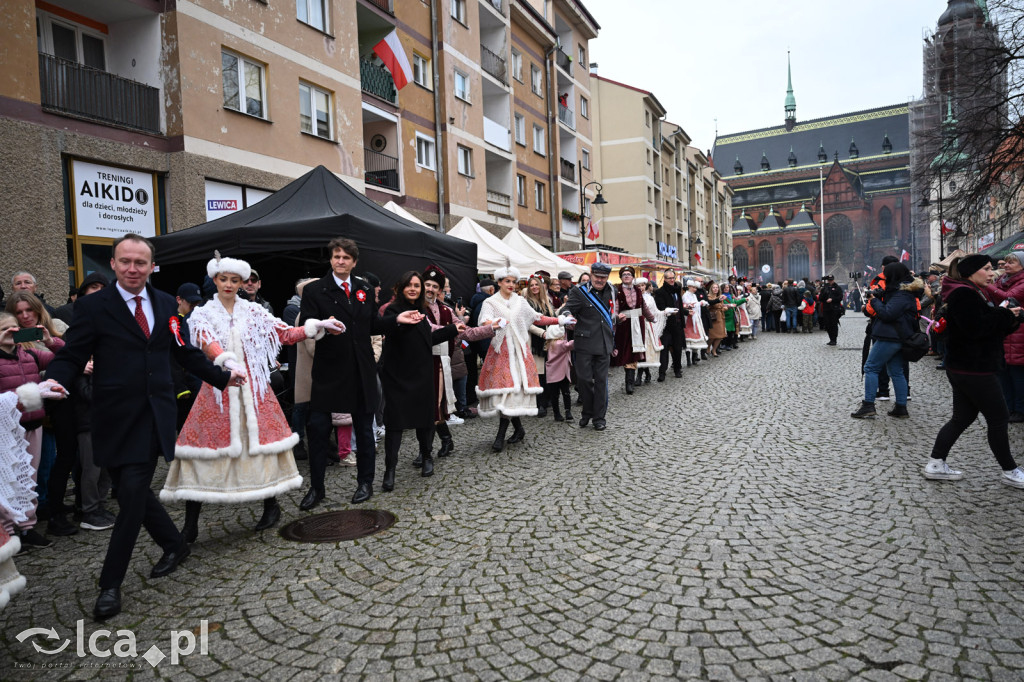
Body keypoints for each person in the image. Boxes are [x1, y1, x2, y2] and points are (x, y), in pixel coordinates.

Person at [45, 234, 243, 620]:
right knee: (127, 489)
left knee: (131, 494)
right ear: (113, 264)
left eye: (141, 262)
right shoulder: (91, 307)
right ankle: (174, 543)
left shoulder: (167, 303)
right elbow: (71, 354)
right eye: (125, 262)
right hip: (113, 416)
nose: (133, 269)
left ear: (152, 266)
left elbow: (183, 351)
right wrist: (54, 381)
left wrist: (221, 375)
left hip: (154, 416)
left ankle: (110, 584)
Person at [161, 253, 336, 541]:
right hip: (218, 392)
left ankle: (271, 505)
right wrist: (225, 360)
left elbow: (283, 334)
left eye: (234, 280)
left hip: (254, 390)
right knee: (203, 452)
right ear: (215, 280)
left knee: (262, 448)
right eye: (223, 279)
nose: (228, 284)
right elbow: (206, 342)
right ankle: (190, 523)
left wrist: (312, 328)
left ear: (242, 283)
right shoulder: (203, 313)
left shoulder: (254, 312)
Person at [297, 238, 422, 508]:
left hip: (360, 369)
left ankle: (365, 482)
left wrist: (396, 320)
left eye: (345, 257)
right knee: (318, 430)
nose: (340, 261)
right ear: (330, 260)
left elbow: (372, 324)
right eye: (336, 256)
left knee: (365, 430)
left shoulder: (364, 288)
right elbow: (307, 325)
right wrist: (321, 326)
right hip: (329, 371)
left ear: (354, 262)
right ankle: (317, 488)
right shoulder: (316, 290)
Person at [923, 254, 1024, 487]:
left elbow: (987, 328)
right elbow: (977, 329)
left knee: (963, 417)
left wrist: (1009, 318)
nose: (992, 273)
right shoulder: (964, 293)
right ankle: (1010, 470)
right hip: (975, 368)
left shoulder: (969, 291)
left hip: (965, 366)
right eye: (987, 269)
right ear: (971, 272)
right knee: (998, 417)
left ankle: (936, 463)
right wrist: (1004, 314)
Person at [379, 271, 463, 487]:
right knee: (395, 424)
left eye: (417, 286)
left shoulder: (421, 311)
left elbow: (428, 339)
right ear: (401, 287)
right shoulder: (393, 310)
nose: (414, 289)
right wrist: (399, 322)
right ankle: (390, 471)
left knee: (424, 421)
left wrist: (453, 329)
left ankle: (427, 457)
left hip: (422, 374)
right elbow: (386, 326)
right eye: (410, 285)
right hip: (398, 376)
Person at [477, 262, 571, 448]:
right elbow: (483, 321)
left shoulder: (520, 301)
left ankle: (501, 435)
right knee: (506, 394)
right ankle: (517, 428)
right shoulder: (490, 302)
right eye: (507, 281)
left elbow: (536, 317)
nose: (511, 285)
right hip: (500, 353)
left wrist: (559, 319)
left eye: (514, 281)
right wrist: (495, 322)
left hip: (520, 352)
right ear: (499, 282)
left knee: (513, 393)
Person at [0, 311, 62, 549]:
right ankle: (7, 534)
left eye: (15, 327)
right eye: (5, 329)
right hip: (6, 431)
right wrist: (32, 394)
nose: (12, 332)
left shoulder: (30, 355)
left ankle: (27, 529)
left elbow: (65, 357)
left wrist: (48, 340)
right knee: (7, 482)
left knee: (29, 480)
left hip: (34, 426)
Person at [421, 266, 492, 461]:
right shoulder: (415, 307)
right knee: (426, 406)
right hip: (417, 362)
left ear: (440, 290)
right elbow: (431, 328)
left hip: (440, 362)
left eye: (434, 286)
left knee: (435, 405)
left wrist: (491, 329)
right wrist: (451, 328)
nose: (430, 289)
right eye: (427, 284)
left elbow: (466, 332)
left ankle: (429, 448)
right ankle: (443, 441)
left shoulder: (446, 309)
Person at [850, 262, 921, 420]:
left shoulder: (903, 295)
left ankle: (868, 405)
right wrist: (880, 294)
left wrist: (874, 300)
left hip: (891, 336)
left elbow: (888, 313)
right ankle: (901, 407)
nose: (886, 278)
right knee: (896, 371)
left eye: (887, 276)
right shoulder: (903, 291)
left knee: (871, 367)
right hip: (896, 336)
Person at [562, 262, 613, 430]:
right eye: (597, 276)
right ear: (591, 275)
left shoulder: (612, 290)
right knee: (583, 381)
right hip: (584, 343)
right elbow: (567, 309)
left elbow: (610, 317)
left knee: (601, 383)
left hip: (605, 343)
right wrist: (568, 316)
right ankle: (587, 411)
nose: (600, 280)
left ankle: (599, 418)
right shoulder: (579, 291)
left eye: (603, 277)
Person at [611, 266, 656, 394]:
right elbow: (615, 308)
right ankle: (629, 382)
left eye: (629, 274)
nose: (626, 276)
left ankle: (630, 382)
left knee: (635, 352)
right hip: (624, 324)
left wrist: (652, 318)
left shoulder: (637, 289)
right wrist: (617, 318)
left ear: (632, 277)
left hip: (638, 323)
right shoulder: (617, 291)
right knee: (627, 352)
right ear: (621, 277)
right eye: (624, 274)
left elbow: (643, 306)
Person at [992, 252, 1024, 422]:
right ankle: (1008, 408)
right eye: (1006, 262)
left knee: (1018, 376)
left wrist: (986, 285)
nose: (1006, 265)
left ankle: (1019, 410)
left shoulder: (1022, 282)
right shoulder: (1002, 280)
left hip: (1019, 334)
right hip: (1005, 332)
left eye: (1012, 262)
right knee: (1004, 374)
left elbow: (1006, 297)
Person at [635, 277, 668, 384]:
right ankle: (643, 374)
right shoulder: (633, 297)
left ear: (646, 286)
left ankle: (641, 375)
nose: (641, 288)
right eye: (638, 286)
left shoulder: (650, 299)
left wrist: (665, 312)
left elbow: (655, 312)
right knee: (639, 350)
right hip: (637, 327)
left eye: (643, 285)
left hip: (648, 327)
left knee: (646, 351)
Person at [653, 270, 685, 379]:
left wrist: (684, 312)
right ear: (665, 279)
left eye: (673, 278)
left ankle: (677, 369)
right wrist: (668, 310)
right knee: (664, 350)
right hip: (666, 325)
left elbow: (679, 307)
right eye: (669, 278)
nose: (672, 280)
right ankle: (662, 373)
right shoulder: (660, 292)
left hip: (678, 324)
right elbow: (660, 308)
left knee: (677, 349)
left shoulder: (677, 290)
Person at [819, 275, 844, 345]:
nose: (830, 281)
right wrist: (824, 293)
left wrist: (832, 299)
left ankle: (834, 339)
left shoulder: (837, 288)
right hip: (826, 308)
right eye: (829, 280)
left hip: (834, 308)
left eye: (831, 280)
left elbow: (840, 297)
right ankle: (831, 339)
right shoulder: (824, 288)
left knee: (834, 324)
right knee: (827, 325)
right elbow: (820, 298)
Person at [705, 283, 727, 357]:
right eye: (714, 287)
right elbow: (712, 305)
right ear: (711, 289)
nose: (715, 289)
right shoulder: (709, 296)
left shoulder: (720, 296)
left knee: (720, 336)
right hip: (713, 317)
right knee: (712, 336)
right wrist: (719, 304)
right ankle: (708, 347)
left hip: (720, 317)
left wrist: (725, 308)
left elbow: (721, 306)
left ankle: (714, 349)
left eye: (717, 287)